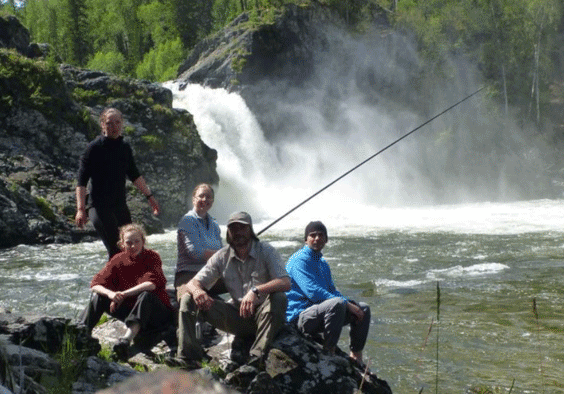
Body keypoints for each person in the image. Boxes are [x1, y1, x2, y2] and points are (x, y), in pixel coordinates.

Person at [176, 211, 290, 366]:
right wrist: (198, 291)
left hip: (265, 317)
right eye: (233, 228)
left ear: (250, 230)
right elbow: (192, 283)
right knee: (188, 297)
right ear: (228, 232)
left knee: (279, 297)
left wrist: (256, 290)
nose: (238, 232)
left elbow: (285, 282)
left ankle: (256, 358)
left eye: (242, 227)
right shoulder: (221, 256)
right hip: (237, 318)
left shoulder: (267, 250)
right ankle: (188, 357)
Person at [79, 223, 173, 361]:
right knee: (99, 296)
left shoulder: (152, 257)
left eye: (137, 242)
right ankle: (79, 332)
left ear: (143, 242)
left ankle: (126, 340)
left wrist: (123, 294)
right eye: (129, 243)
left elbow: (150, 285)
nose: (133, 246)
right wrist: (111, 294)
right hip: (131, 309)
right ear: (122, 244)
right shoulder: (118, 260)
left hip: (156, 314)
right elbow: (95, 284)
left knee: (146, 295)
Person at [75, 107, 160, 258]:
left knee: (133, 247)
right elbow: (81, 181)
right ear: (102, 125)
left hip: (120, 206)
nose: (114, 126)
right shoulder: (93, 148)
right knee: (116, 250)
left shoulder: (124, 147)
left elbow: (135, 175)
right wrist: (81, 209)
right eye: (109, 123)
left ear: (122, 124)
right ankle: (109, 281)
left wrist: (149, 196)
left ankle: (132, 281)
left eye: (117, 122)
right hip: (98, 207)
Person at [285, 221, 371, 365]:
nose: (317, 238)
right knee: (337, 304)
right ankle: (328, 353)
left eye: (321, 235)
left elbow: (332, 290)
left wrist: (349, 303)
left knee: (363, 308)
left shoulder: (322, 263)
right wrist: (345, 304)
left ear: (326, 239)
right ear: (306, 240)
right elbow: (313, 292)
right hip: (299, 316)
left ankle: (356, 356)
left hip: (319, 312)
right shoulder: (298, 261)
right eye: (312, 235)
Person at [175, 183, 224, 302]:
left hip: (208, 274)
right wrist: (224, 253)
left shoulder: (214, 224)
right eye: (201, 196)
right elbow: (196, 253)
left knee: (241, 280)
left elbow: (221, 254)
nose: (205, 199)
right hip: (187, 275)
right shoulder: (187, 220)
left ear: (212, 201)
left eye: (208, 197)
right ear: (193, 199)